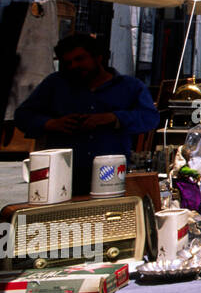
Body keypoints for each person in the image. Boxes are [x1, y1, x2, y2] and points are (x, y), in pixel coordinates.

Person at [15, 33, 161, 195]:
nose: (73, 66)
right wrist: (51, 123)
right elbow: (22, 116)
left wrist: (113, 118)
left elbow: (150, 118)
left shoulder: (129, 86)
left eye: (79, 59)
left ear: (98, 58)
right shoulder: (55, 84)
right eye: (68, 62)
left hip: (110, 176)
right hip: (63, 177)